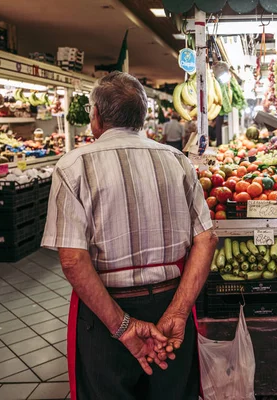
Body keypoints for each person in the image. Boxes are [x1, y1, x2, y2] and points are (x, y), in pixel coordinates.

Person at [42, 71, 217, 400]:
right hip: (169, 309)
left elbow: (72, 259)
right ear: (144, 116)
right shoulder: (177, 161)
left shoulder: (72, 167)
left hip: (103, 313)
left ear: (96, 116)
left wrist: (122, 326)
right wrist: (177, 313)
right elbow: (206, 239)